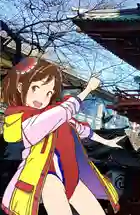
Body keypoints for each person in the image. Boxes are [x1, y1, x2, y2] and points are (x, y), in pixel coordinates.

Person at [1, 57, 125, 215]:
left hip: (70, 173)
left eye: (48, 92)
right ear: (20, 87)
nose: (41, 98)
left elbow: (80, 128)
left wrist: (108, 141)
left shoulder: (54, 115)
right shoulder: (26, 121)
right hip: (45, 175)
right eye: (35, 88)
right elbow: (62, 112)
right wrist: (87, 90)